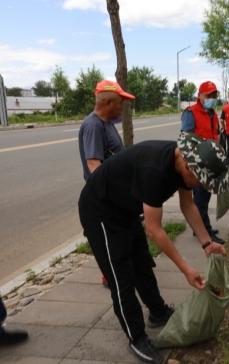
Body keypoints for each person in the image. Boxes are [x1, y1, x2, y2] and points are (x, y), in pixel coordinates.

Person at [78, 133, 229, 364]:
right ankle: (137, 337)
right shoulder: (154, 170)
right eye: (200, 180)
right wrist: (185, 269)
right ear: (188, 166)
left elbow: (188, 205)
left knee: (142, 263)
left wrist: (207, 243)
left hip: (126, 209)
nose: (200, 185)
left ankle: (158, 311)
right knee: (121, 276)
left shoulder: (184, 161)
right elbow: (154, 230)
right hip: (100, 210)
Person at [78, 80, 133, 286]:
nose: (122, 107)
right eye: (121, 103)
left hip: (115, 191)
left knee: (120, 237)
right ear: (109, 102)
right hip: (105, 195)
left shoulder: (107, 123)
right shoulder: (93, 125)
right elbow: (94, 165)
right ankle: (110, 276)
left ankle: (118, 271)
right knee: (109, 238)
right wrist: (112, 195)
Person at [181, 81, 225, 245]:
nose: (212, 98)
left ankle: (197, 227)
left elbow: (216, 135)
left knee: (204, 197)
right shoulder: (190, 113)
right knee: (200, 198)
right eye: (208, 95)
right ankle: (205, 232)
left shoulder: (213, 113)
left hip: (210, 160)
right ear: (199, 96)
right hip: (197, 163)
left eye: (214, 95)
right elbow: (185, 140)